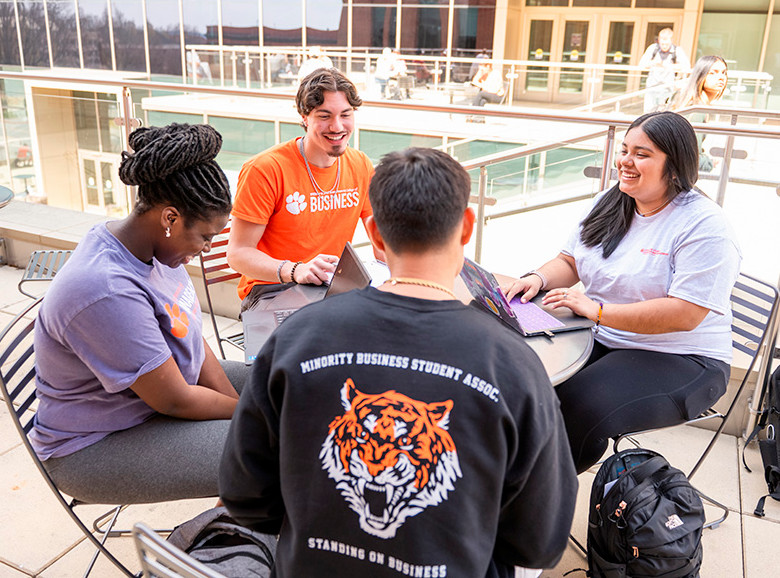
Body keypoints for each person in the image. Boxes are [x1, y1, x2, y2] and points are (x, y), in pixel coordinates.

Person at [220, 148, 578, 577]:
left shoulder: (295, 337)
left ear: (372, 233)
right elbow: (539, 545)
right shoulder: (514, 364)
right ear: (466, 227)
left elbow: (244, 498)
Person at [504, 111, 741, 474]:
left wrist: (597, 311)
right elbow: (571, 260)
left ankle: (536, 504)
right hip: (606, 335)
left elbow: (685, 314)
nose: (625, 162)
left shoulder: (704, 225)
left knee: (578, 405)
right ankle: (513, 486)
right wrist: (538, 278)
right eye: (625, 149)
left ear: (675, 166)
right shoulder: (611, 201)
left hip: (683, 357)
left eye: (642, 154)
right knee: (526, 383)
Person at [30, 123, 248, 504]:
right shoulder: (105, 288)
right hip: (95, 446)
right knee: (272, 449)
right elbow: (174, 400)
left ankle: (237, 514)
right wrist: (251, 418)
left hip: (145, 401)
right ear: (170, 218)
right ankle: (224, 549)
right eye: (206, 237)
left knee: (284, 385)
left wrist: (241, 407)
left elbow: (190, 336)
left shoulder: (154, 248)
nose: (207, 248)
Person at [227, 68, 376, 313]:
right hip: (272, 291)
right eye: (324, 116)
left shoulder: (360, 164)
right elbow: (238, 254)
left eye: (345, 114)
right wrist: (296, 270)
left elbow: (379, 234)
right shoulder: (266, 169)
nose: (337, 126)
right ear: (305, 117)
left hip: (331, 290)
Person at [670, 55, 729, 171]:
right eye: (713, 73)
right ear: (701, 75)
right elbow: (689, 156)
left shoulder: (694, 105)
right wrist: (709, 163)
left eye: (724, 73)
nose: (721, 77)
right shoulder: (696, 110)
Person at [638, 28, 690, 112]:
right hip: (652, 88)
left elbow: (686, 67)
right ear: (658, 40)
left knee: (664, 114)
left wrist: (668, 66)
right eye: (662, 43)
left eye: (666, 44)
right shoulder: (653, 49)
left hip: (668, 88)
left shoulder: (677, 51)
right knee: (648, 113)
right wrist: (654, 63)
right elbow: (642, 64)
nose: (664, 46)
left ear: (671, 41)